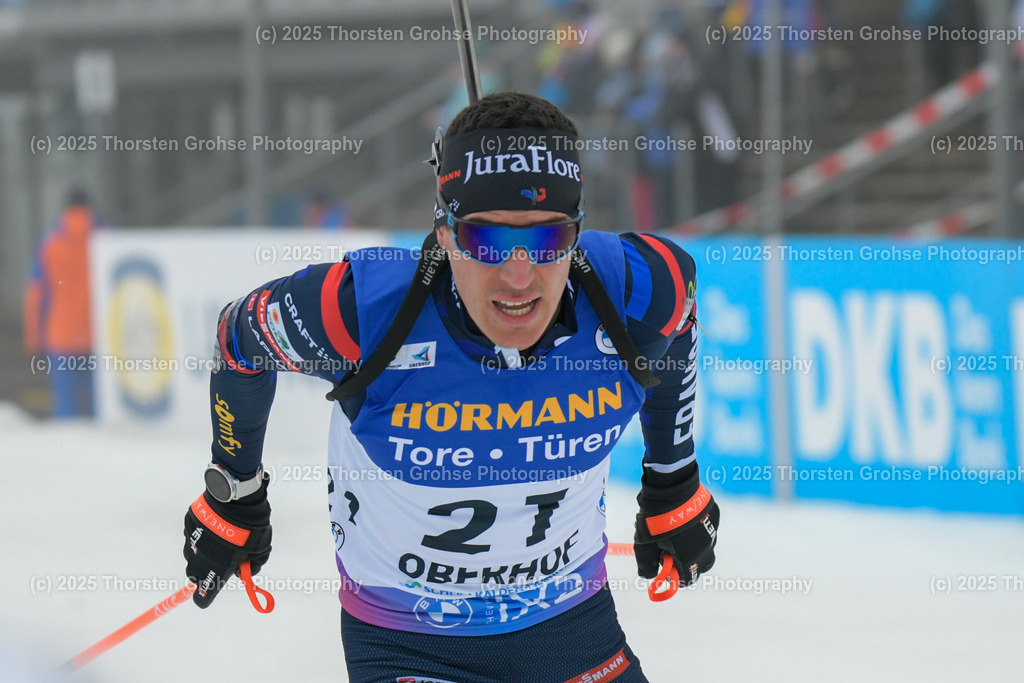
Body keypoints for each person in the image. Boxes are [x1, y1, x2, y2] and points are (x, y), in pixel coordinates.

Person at [183, 92, 719, 682]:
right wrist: (234, 490)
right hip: (409, 643)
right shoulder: (363, 312)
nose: (519, 277)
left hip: (573, 631)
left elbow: (683, 319)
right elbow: (239, 339)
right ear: (444, 235)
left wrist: (673, 478)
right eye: (486, 241)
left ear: (576, 233)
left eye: (546, 240)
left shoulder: (637, 289)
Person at [23, 189, 98, 418]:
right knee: (99, 410)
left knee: (66, 410)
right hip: (98, 336)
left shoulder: (49, 244)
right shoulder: (105, 238)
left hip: (61, 336)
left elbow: (36, 294)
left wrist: (34, 338)